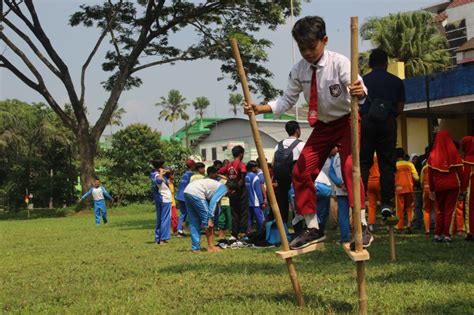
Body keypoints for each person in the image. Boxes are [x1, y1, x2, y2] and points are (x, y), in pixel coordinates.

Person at [244, 16, 368, 249]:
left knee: (351, 167)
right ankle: (312, 227)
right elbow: (286, 100)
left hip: (347, 121)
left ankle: (361, 225)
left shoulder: (340, 63)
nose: (308, 53)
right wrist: (260, 108)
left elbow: (359, 87)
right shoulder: (298, 70)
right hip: (322, 126)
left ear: (325, 40)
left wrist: (359, 90)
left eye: (312, 47)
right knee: (301, 171)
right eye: (302, 48)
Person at [360, 48, 406, 220]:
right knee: (387, 163)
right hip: (387, 122)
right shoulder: (396, 81)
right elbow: (400, 108)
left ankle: (361, 199)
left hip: (366, 122)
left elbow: (355, 105)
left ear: (370, 64)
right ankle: (386, 203)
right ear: (386, 63)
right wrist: (389, 116)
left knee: (364, 162)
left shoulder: (363, 80)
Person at [184, 177, 239, 252]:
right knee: (209, 223)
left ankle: (195, 248)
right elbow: (213, 202)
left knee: (194, 221)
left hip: (187, 190)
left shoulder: (218, 186)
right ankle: (211, 247)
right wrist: (210, 218)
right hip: (197, 192)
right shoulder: (224, 189)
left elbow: (215, 205)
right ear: (232, 191)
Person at [428, 130, 463, 243]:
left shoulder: (432, 155)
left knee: (440, 210)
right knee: (449, 210)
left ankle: (437, 235)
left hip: (439, 186)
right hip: (453, 185)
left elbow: (430, 175)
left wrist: (432, 189)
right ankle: (447, 235)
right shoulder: (454, 152)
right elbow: (460, 172)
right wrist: (462, 187)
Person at [272, 120, 305, 225]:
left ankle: (283, 229)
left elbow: (273, 162)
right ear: (297, 131)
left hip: (281, 180)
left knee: (283, 205)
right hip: (295, 180)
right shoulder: (301, 144)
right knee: (297, 205)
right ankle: (298, 230)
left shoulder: (279, 145)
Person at [218, 145, 249, 239]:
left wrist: (228, 178)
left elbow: (219, 171)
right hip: (240, 190)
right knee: (243, 212)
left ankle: (234, 233)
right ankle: (243, 232)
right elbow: (243, 174)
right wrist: (239, 184)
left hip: (232, 191)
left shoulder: (229, 165)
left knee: (234, 213)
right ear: (241, 154)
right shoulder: (241, 164)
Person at [328, 147, 350, 243]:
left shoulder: (335, 157)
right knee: (357, 212)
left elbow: (331, 173)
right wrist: (346, 183)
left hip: (341, 189)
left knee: (343, 215)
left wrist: (339, 183)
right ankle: (361, 236)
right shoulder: (351, 153)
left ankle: (345, 238)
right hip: (352, 188)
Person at [394, 148, 419, 232]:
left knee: (399, 209)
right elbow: (416, 177)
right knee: (410, 207)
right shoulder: (410, 164)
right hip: (409, 188)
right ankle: (409, 223)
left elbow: (391, 177)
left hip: (399, 188)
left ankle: (400, 226)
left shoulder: (394, 165)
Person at [150, 160, 172, 245]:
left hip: (159, 199)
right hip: (164, 198)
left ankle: (158, 238)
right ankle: (163, 239)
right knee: (165, 219)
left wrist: (164, 171)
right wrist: (161, 173)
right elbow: (158, 181)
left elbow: (170, 170)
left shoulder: (153, 173)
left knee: (160, 219)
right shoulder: (156, 175)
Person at [175, 159, 195, 237]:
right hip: (186, 196)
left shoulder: (184, 174)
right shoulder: (191, 175)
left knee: (183, 213)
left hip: (180, 195)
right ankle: (192, 229)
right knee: (191, 213)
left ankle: (179, 230)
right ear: (193, 166)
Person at [245, 160, 266, 232]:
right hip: (255, 202)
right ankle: (262, 232)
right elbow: (258, 191)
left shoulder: (245, 176)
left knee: (249, 219)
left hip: (247, 202)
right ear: (253, 168)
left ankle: (249, 232)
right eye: (256, 167)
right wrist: (262, 202)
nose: (257, 169)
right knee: (260, 218)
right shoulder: (255, 177)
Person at [460, 136, 474, 241]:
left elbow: (465, 176)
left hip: (471, 188)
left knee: (470, 209)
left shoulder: (468, 159)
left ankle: (470, 232)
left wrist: (463, 189)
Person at [420, 163, 438, 234]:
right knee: (437, 209)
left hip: (426, 190)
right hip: (436, 190)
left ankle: (427, 229)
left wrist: (423, 188)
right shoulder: (436, 166)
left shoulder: (424, 168)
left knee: (426, 210)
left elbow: (421, 181)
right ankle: (437, 228)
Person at [367, 155, 381, 232]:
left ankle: (371, 224)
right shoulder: (379, 156)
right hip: (379, 181)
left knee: (371, 205)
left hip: (369, 182)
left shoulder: (367, 155)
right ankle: (387, 222)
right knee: (385, 202)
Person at [168, 170, 178, 234]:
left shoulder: (171, 183)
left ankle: (175, 230)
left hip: (173, 203)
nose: (174, 176)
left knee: (174, 217)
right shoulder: (167, 184)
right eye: (172, 175)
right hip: (169, 203)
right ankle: (174, 230)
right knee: (173, 218)